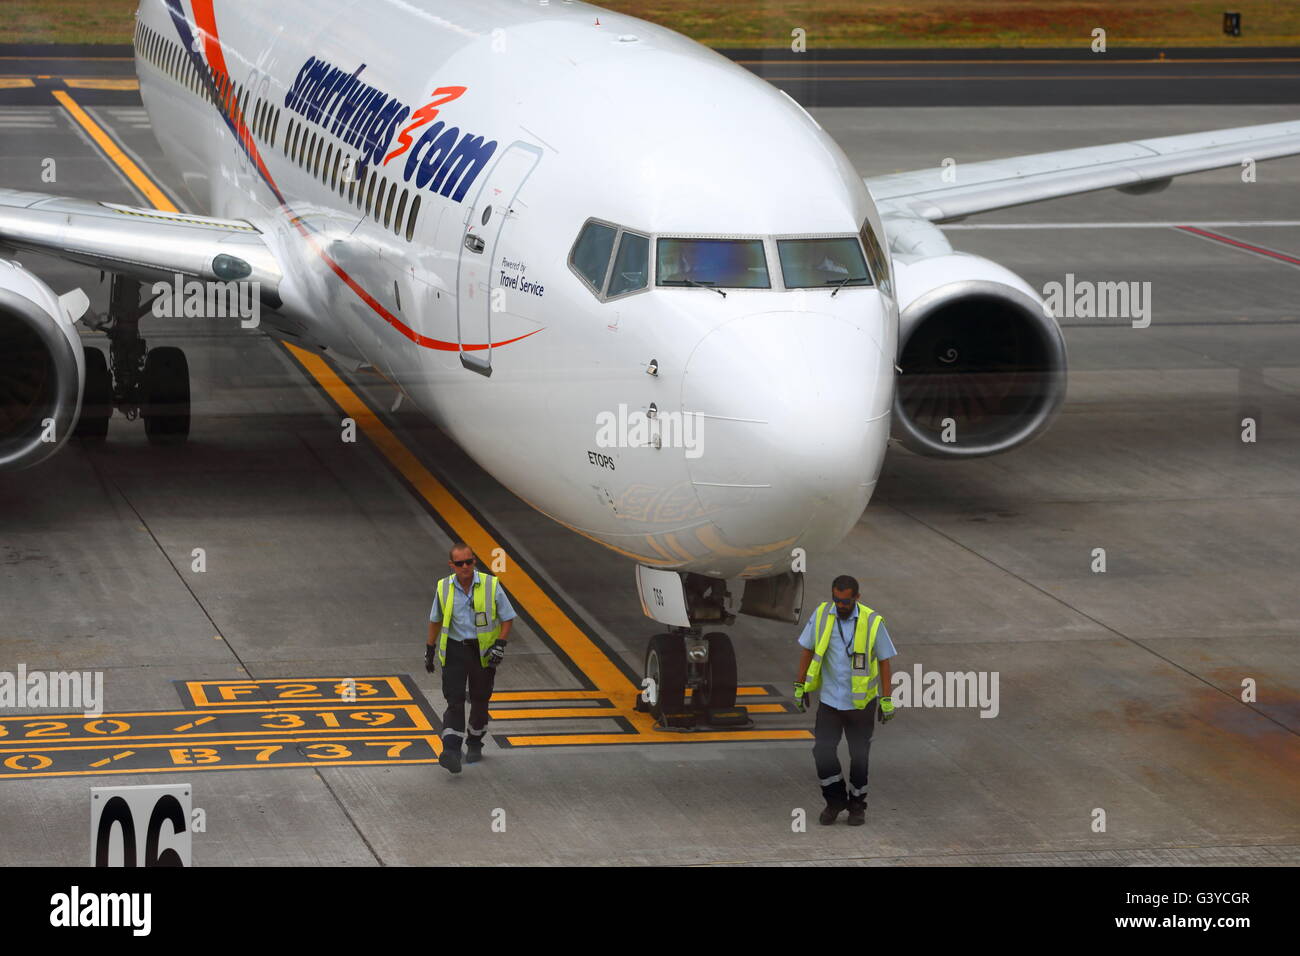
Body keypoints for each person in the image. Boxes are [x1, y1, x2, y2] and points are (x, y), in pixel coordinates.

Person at [793, 575, 897, 825]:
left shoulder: (872, 621)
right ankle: (835, 800)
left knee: (859, 757)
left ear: (857, 598)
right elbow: (808, 650)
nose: (840, 605)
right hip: (830, 701)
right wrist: (800, 685)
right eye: (836, 600)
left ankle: (857, 806)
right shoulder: (821, 615)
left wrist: (886, 699)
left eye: (845, 601)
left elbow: (884, 661)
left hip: (861, 704)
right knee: (822, 752)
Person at [424, 541, 516, 773]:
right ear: (451, 565)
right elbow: (435, 619)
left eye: (470, 561)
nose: (466, 566)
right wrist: (430, 649)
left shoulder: (490, 584)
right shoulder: (443, 587)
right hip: (455, 650)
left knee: (480, 700)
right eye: (460, 563)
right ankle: (451, 751)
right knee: (454, 701)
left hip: (482, 652)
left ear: (474, 561)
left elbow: (507, 617)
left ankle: (475, 741)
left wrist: (500, 644)